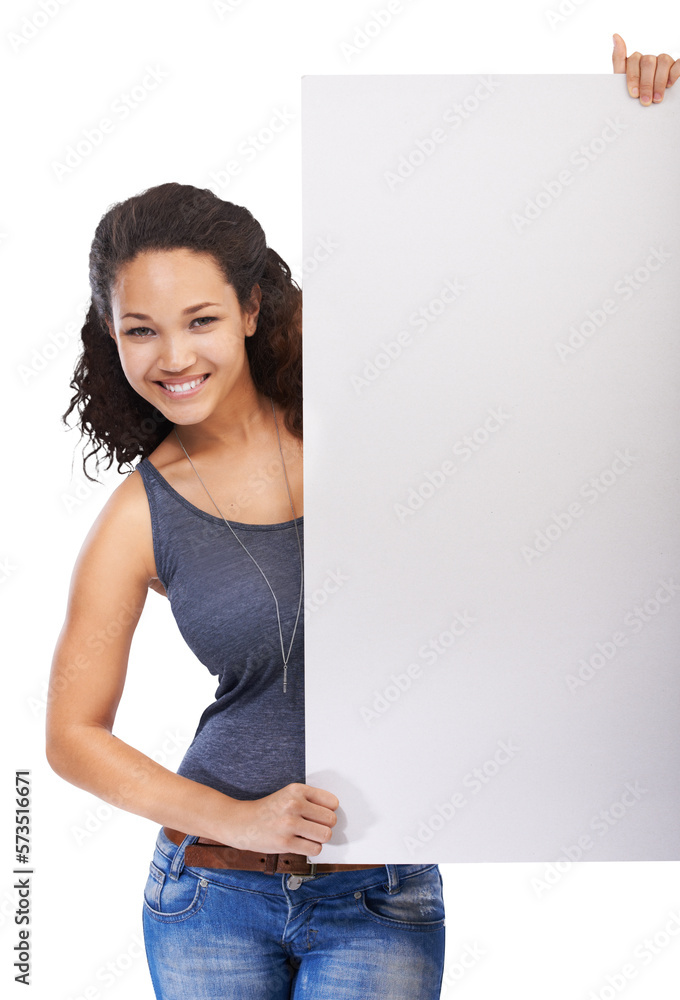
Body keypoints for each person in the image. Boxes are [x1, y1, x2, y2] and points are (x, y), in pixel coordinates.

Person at [45, 35, 678, 1000]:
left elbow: (527, 307)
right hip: (206, 893)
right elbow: (71, 737)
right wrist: (238, 817)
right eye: (140, 329)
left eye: (201, 319)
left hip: (379, 892)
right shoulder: (142, 507)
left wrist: (631, 129)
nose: (173, 355)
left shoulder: (384, 417)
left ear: (252, 309)